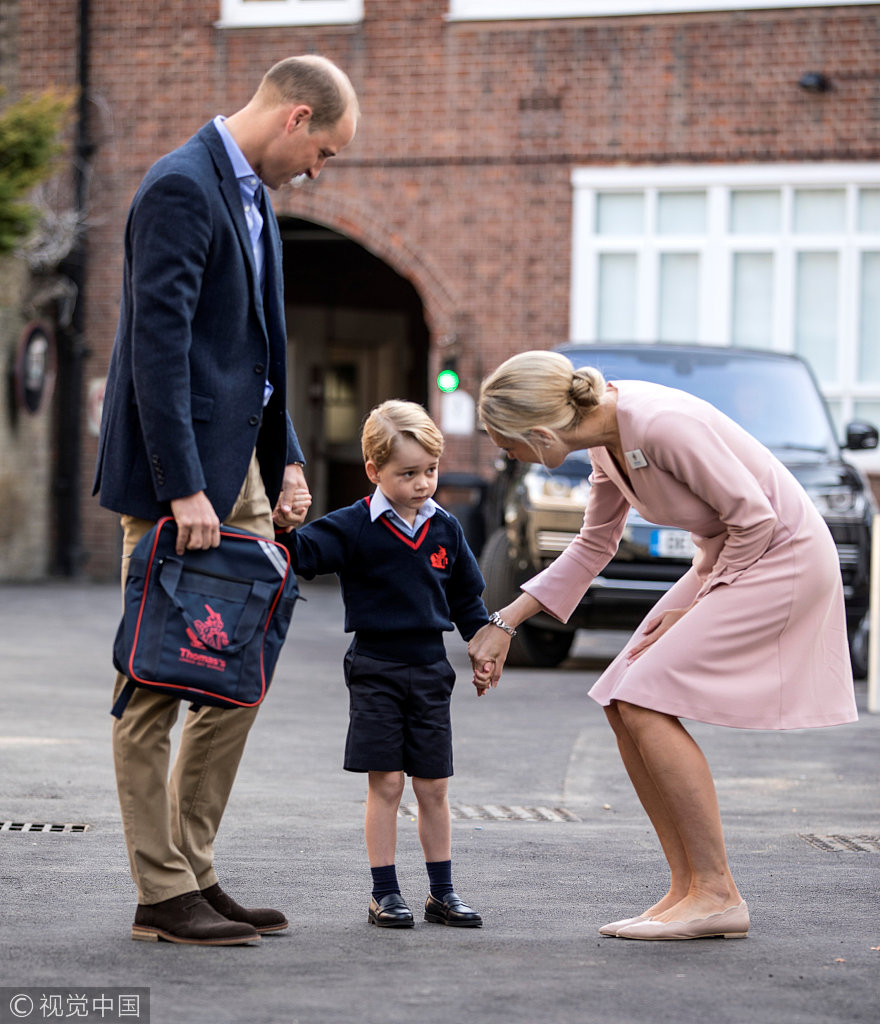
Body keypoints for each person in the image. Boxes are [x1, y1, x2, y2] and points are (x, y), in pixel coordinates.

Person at [92, 55, 359, 946]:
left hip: (239, 472)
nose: (320, 169)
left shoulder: (255, 202)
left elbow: (262, 354)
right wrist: (183, 491)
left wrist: (283, 462)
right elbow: (155, 355)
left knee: (233, 674)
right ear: (293, 117)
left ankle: (194, 872)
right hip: (185, 484)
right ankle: (158, 893)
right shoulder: (179, 186)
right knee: (156, 680)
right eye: (323, 149)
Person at [469, 350, 858, 942]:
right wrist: (508, 620)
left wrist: (693, 609)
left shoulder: (658, 422)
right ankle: (688, 889)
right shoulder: (605, 437)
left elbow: (755, 520)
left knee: (646, 697)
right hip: (731, 556)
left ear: (543, 435)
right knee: (621, 698)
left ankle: (717, 892)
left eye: (508, 444)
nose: (508, 456)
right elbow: (594, 543)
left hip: (782, 557)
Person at [284, 400, 487, 929]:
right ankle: (385, 893)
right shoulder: (354, 526)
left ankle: (441, 893)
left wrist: (483, 651)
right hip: (375, 669)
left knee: (434, 787)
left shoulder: (446, 529)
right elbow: (298, 555)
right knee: (388, 785)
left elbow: (468, 602)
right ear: (374, 471)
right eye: (408, 474)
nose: (423, 484)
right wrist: (285, 523)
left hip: (430, 672)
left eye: (431, 471)